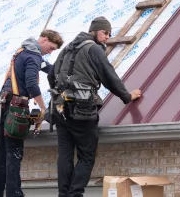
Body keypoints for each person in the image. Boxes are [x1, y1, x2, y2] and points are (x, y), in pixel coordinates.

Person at [48, 16, 142, 197]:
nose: (107, 37)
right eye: (105, 32)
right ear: (94, 31)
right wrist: (126, 96)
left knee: (65, 154)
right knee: (87, 155)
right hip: (82, 110)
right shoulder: (93, 49)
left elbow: (51, 76)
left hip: (60, 110)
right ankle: (75, 194)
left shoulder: (66, 49)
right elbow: (108, 76)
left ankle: (63, 194)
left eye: (109, 33)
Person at [0, 30, 64, 197]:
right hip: (14, 109)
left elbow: (48, 68)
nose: (50, 52)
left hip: (0, 105)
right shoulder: (32, 56)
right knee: (14, 154)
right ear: (44, 39)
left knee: (0, 155)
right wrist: (43, 108)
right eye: (51, 48)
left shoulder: (22, 52)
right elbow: (31, 84)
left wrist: (63, 71)